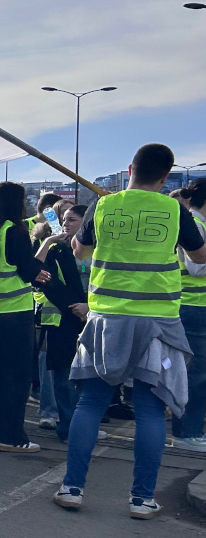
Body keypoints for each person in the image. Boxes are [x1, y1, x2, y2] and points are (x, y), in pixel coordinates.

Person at [56, 145, 206, 516]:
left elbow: (79, 252)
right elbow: (200, 256)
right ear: (166, 176)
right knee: (150, 410)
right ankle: (142, 498)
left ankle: (72, 488)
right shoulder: (175, 210)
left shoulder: (103, 205)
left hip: (107, 319)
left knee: (91, 402)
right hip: (159, 322)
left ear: (129, 169)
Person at [0, 182, 55, 454]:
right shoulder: (13, 231)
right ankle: (10, 437)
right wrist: (44, 253)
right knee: (17, 377)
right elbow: (28, 271)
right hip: (14, 312)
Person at [32, 204, 92, 441]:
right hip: (63, 318)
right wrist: (75, 306)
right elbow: (43, 278)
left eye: (72, 220)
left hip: (93, 316)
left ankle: (85, 424)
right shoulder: (56, 248)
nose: (65, 224)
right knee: (63, 376)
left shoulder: (99, 248)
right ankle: (67, 426)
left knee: (89, 376)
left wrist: (90, 306)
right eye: (64, 219)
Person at [173, 179, 206, 451]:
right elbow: (196, 268)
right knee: (196, 374)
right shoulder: (195, 223)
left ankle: (190, 429)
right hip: (194, 307)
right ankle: (187, 432)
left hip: (195, 307)